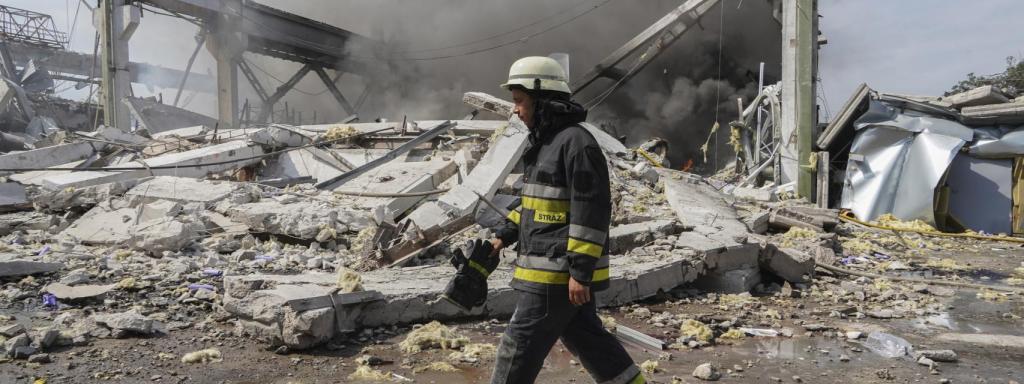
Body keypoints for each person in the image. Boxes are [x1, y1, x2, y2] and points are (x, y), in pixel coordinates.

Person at [488, 56, 644, 384]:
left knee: (517, 346)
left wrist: (580, 272)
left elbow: (591, 211)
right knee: (589, 341)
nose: (515, 110)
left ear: (542, 100)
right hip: (553, 270)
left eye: (519, 101)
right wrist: (504, 234)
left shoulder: (577, 144)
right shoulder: (545, 143)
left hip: (557, 274)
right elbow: (534, 204)